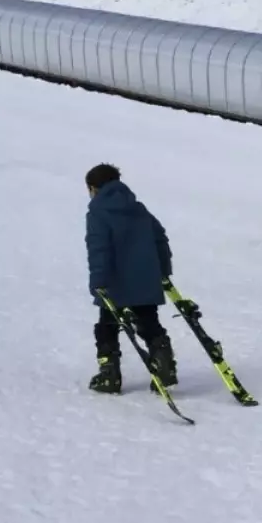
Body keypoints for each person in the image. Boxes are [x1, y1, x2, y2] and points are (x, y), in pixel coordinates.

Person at [84, 163, 177, 394]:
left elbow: (99, 249)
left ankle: (110, 374)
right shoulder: (138, 208)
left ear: (94, 188)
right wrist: (163, 272)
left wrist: (98, 282)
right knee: (148, 323)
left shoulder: (97, 213)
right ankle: (164, 362)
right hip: (146, 280)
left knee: (107, 327)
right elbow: (160, 239)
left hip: (115, 284)